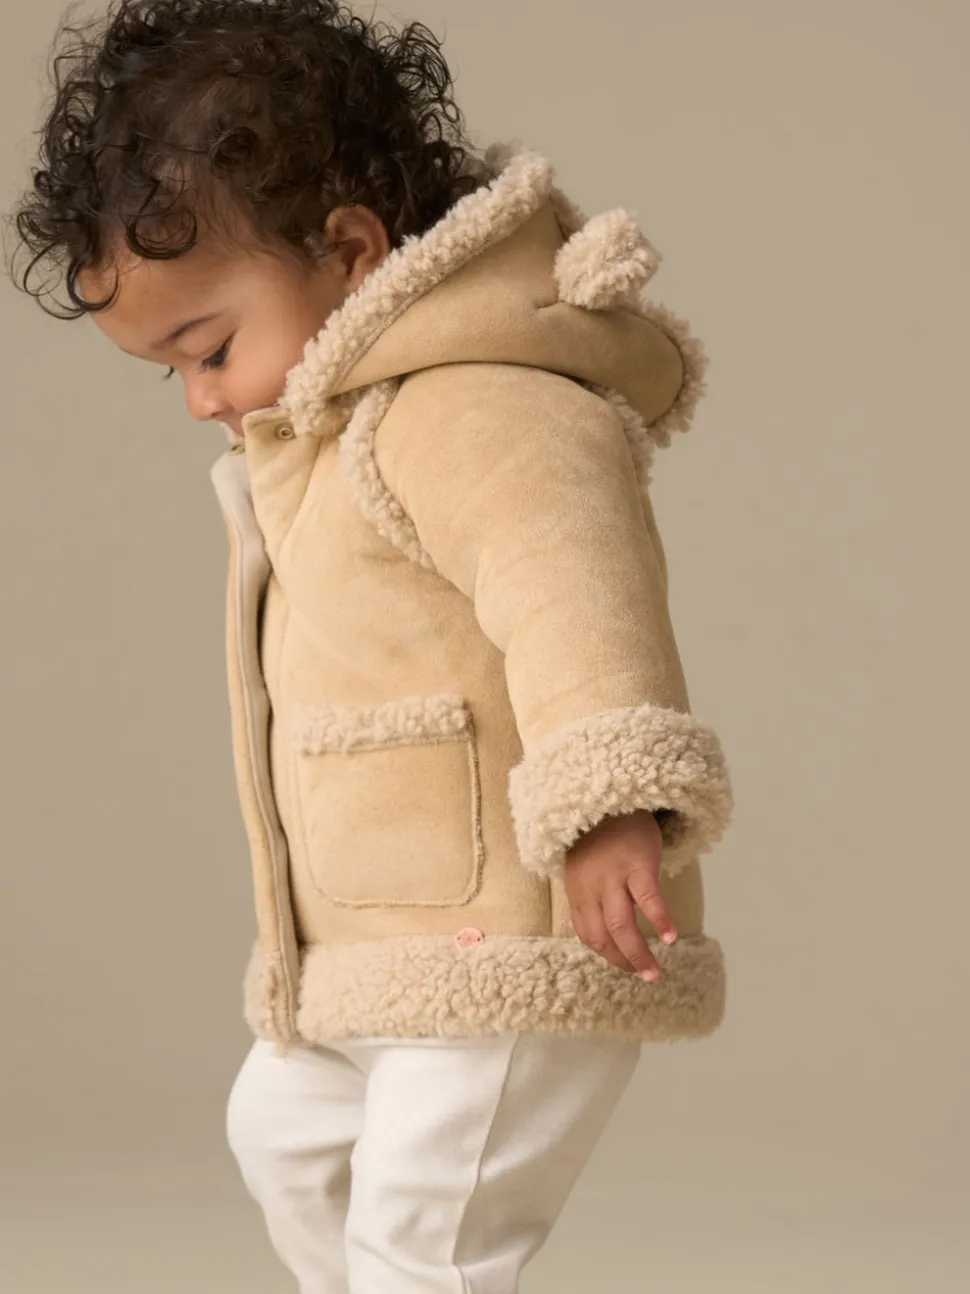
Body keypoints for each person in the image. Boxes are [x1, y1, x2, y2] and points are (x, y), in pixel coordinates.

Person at [11, 2, 734, 1290]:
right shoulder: (335, 435)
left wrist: (610, 806)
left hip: (516, 930)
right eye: (171, 371)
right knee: (284, 1139)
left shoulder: (480, 404)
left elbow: (577, 593)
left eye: (210, 348)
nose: (201, 399)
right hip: (380, 941)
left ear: (350, 253)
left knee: (424, 1234)